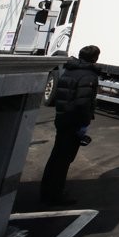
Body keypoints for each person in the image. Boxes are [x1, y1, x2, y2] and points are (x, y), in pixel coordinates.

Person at [41, 45, 101, 205]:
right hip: (73, 122)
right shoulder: (89, 76)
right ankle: (55, 195)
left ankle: (46, 190)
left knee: (56, 157)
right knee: (64, 160)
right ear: (94, 58)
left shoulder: (69, 71)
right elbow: (82, 102)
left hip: (62, 119)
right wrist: (84, 123)